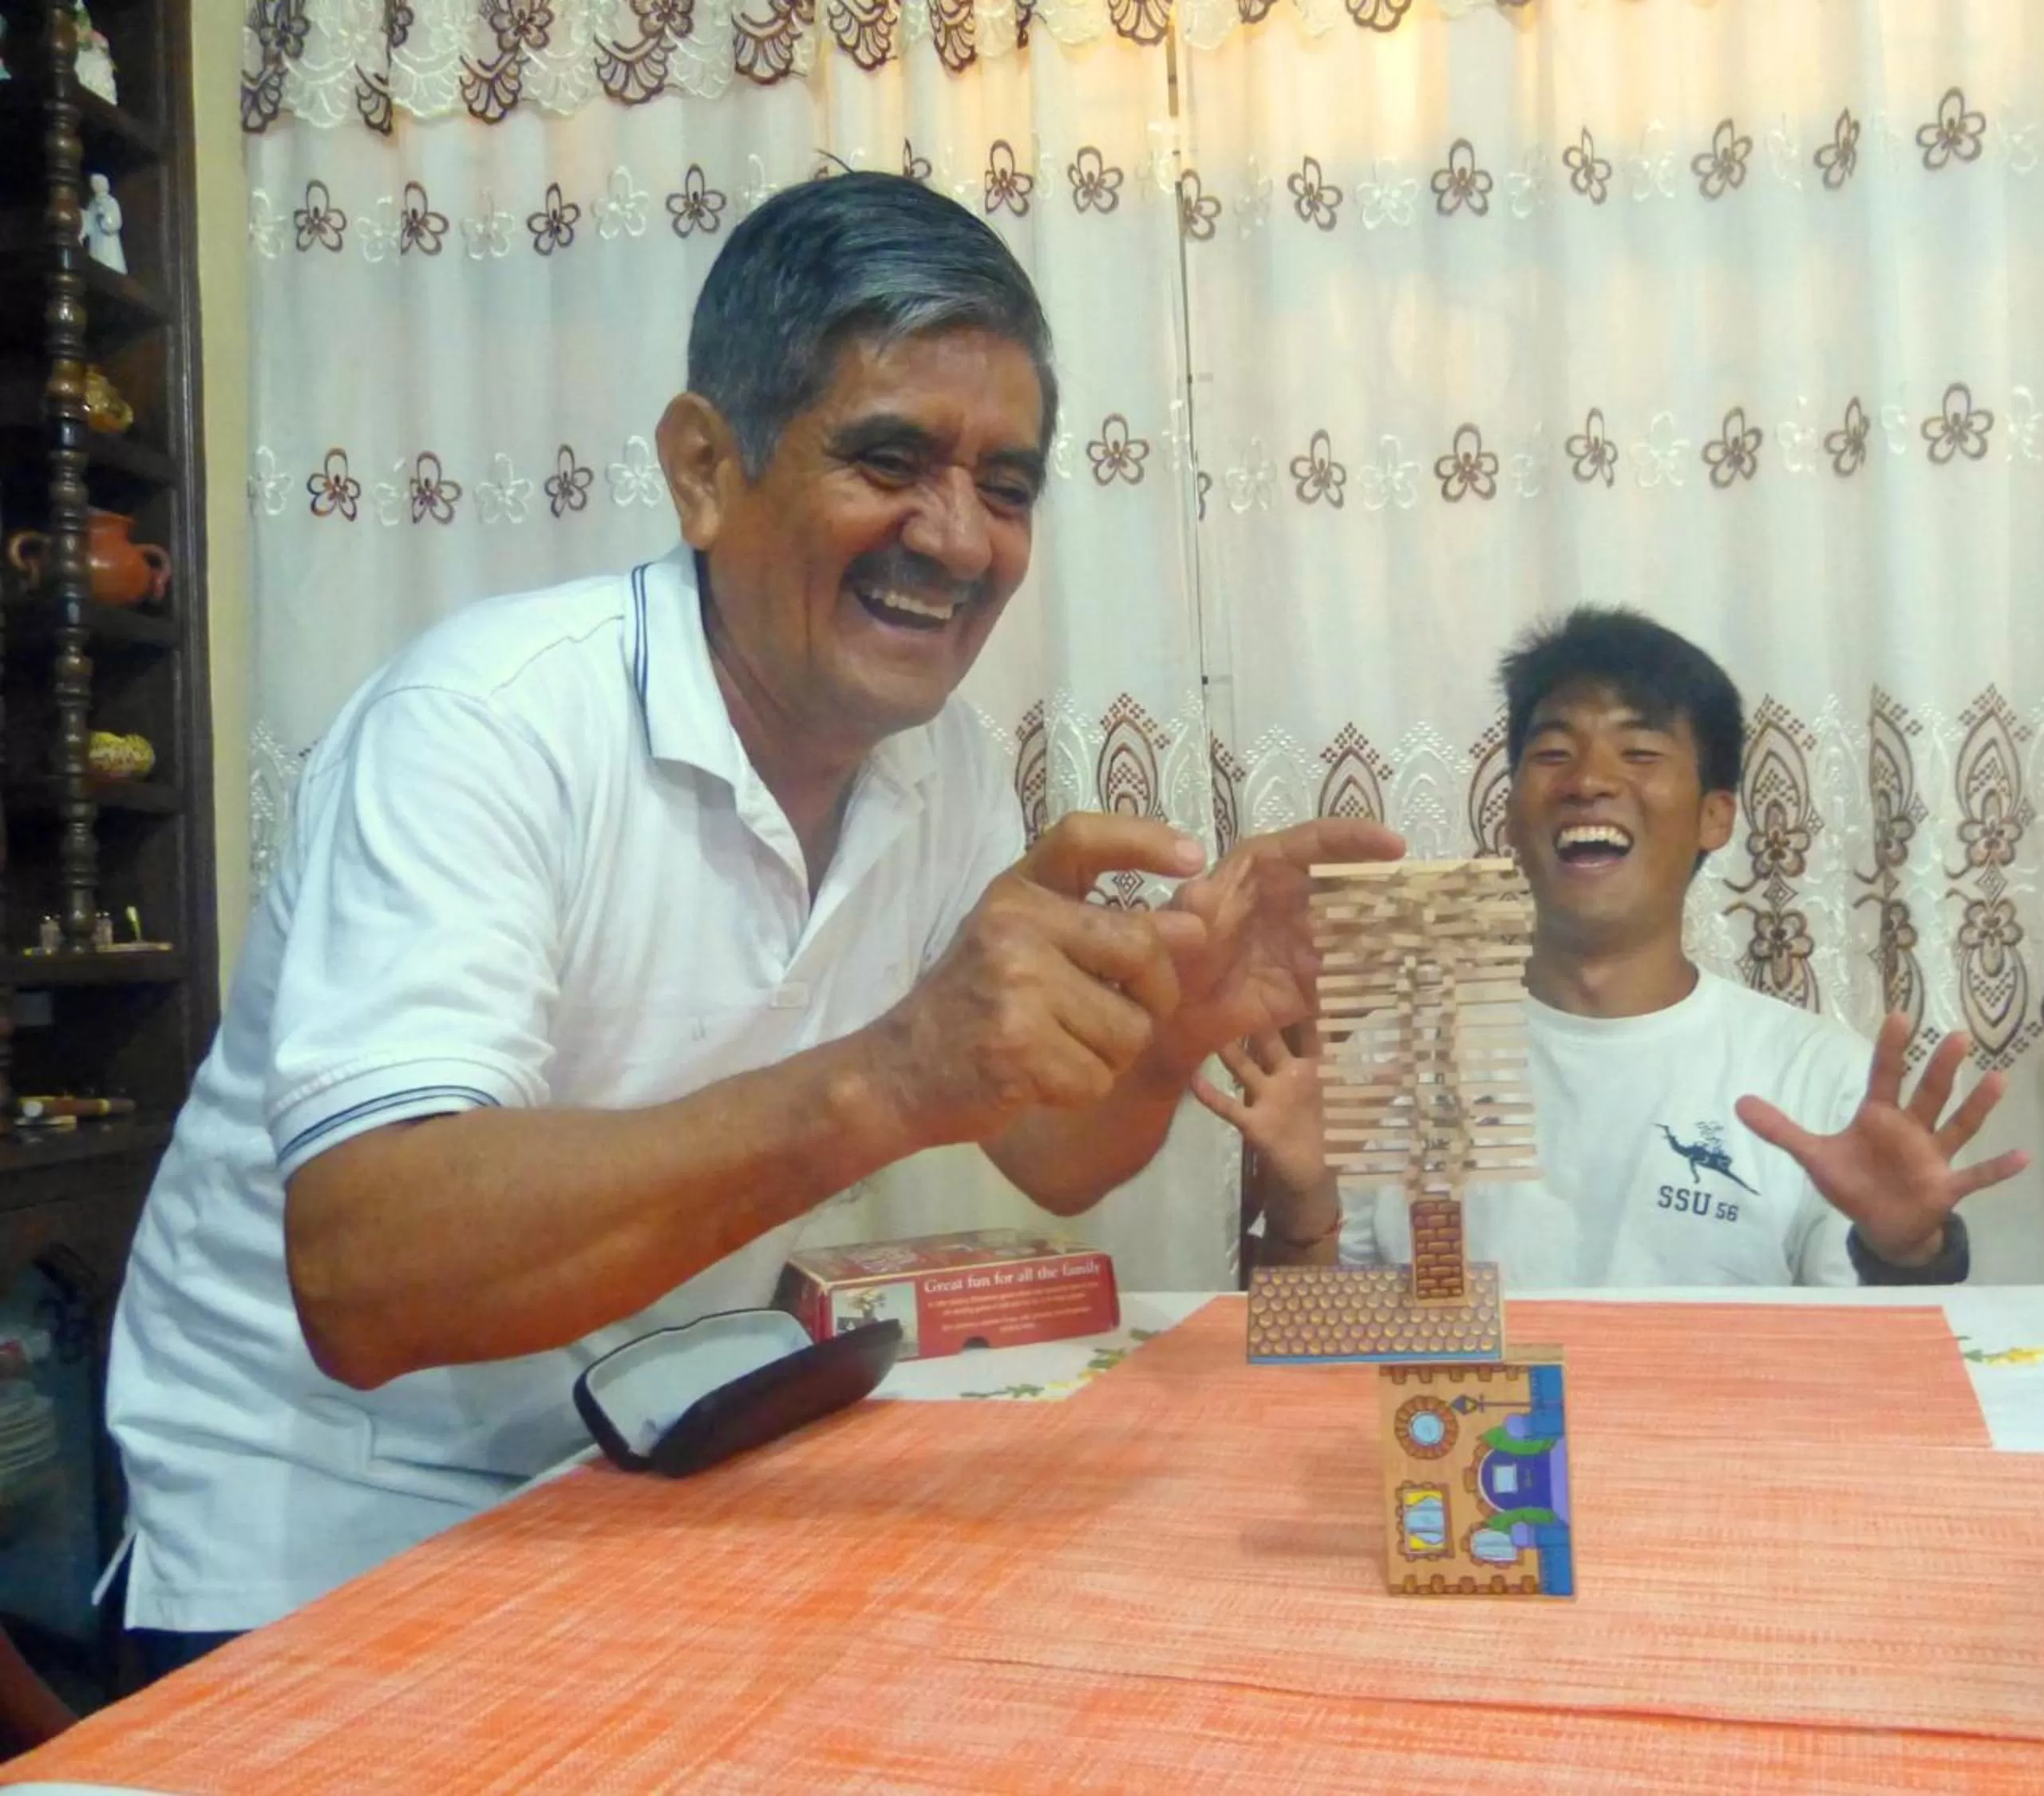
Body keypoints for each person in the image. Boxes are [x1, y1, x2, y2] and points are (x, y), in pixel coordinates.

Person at [103, 173, 1399, 1669]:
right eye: (891, 459)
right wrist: (884, 1080)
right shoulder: (481, 724)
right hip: (318, 1533)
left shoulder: (943, 762)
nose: (961, 541)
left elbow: (1050, 1151)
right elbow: (365, 1276)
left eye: (1010, 484)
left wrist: (1164, 1038)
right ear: (706, 469)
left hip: (646, 1474)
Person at [1201, 607, 2026, 1288]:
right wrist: (1302, 1199)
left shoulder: (1820, 1077)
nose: (1588, 780)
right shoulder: (1391, 1055)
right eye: (1552, 752)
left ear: (1714, 816)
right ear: (1513, 813)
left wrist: (1909, 1255)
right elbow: (1322, 1373)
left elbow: (1873, 1384)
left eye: (1640, 752)